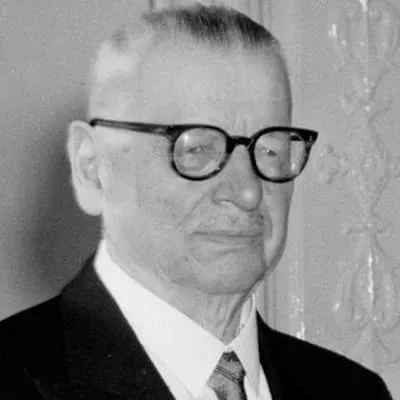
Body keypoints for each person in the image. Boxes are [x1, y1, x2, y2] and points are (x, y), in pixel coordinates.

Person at [0, 4, 393, 400]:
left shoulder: (354, 391)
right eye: (196, 149)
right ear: (92, 167)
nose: (249, 192)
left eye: (270, 150)